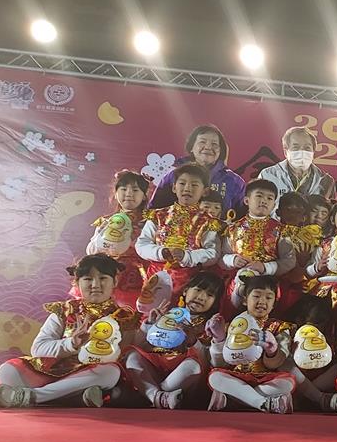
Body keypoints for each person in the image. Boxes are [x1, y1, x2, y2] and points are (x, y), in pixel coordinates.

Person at [0, 254, 140, 409]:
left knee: (111, 372)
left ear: (115, 281)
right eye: (88, 279)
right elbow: (38, 349)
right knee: (7, 371)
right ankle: (73, 397)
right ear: (77, 282)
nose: (95, 285)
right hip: (52, 372)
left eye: (103, 278)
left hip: (91, 374)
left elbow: (126, 357)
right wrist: (71, 344)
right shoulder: (65, 311)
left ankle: (31, 396)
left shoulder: (125, 318)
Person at [124, 271, 224, 409]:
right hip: (157, 368)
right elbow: (140, 346)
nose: (201, 297)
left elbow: (210, 364)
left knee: (193, 366)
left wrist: (193, 342)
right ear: (186, 290)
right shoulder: (167, 314)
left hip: (181, 380)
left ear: (214, 302)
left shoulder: (211, 325)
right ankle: (158, 397)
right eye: (198, 290)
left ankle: (155, 395)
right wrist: (150, 324)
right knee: (132, 355)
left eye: (210, 295)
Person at [206, 275, 295, 413]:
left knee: (287, 383)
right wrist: (219, 339)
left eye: (268, 297)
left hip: (266, 378)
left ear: (273, 304)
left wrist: (272, 349)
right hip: (235, 376)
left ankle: (236, 399)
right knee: (215, 377)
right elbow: (219, 364)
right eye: (257, 296)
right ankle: (263, 403)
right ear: (244, 299)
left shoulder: (280, 328)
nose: (262, 301)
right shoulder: (232, 325)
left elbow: (276, 364)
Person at [135, 163, 223, 302]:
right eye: (182, 183)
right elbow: (142, 244)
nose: (187, 188)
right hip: (155, 280)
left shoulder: (208, 222)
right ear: (174, 187)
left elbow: (213, 253)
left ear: (205, 191)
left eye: (194, 185)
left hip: (190, 283)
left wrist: (186, 256)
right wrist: (161, 252)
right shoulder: (158, 216)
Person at [220, 178, 296, 308]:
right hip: (237, 282)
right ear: (247, 200)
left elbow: (289, 260)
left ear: (274, 204)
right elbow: (221, 257)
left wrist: (266, 268)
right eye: (259, 196)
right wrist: (232, 260)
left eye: (269, 198)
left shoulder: (281, 230)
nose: (264, 201)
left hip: (269, 284)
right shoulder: (233, 229)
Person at [85, 170, 150, 308]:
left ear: (144, 196)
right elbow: (90, 251)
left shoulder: (150, 222)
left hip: (137, 276)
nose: (129, 194)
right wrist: (102, 235)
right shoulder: (106, 220)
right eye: (123, 189)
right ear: (116, 193)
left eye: (135, 190)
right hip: (106, 273)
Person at [149, 124, 246, 217]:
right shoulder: (173, 175)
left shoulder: (234, 181)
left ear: (220, 151)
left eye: (214, 144)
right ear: (192, 147)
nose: (208, 147)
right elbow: (154, 210)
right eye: (202, 142)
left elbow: (242, 219)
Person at [258, 126, 336, 206]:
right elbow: (257, 208)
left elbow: (331, 210)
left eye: (307, 148)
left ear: (313, 151)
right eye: (296, 147)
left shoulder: (326, 181)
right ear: (286, 152)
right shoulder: (268, 175)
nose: (302, 152)